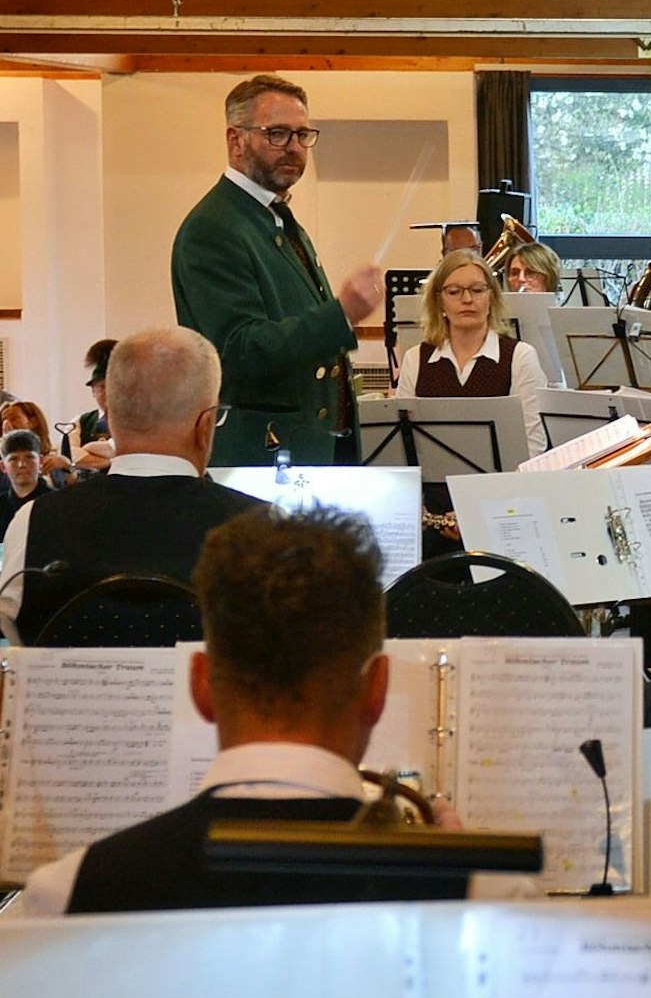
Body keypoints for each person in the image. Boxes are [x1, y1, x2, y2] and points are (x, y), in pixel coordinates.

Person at [14, 505, 471, 914]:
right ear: (378, 690)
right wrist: (466, 881)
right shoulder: (483, 897)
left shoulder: (65, 897)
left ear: (201, 686)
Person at [0, 327, 266, 647]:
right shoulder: (268, 527)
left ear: (110, 418)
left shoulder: (33, 521)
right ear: (206, 426)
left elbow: (13, 642)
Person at [172, 74, 386, 466]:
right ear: (235, 140)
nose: (293, 148)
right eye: (277, 134)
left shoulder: (276, 218)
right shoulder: (214, 226)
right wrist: (341, 315)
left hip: (309, 448)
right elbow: (237, 348)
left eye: (303, 135)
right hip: (263, 457)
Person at [395, 248, 549, 455]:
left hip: (497, 485)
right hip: (432, 485)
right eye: (454, 292)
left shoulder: (520, 357)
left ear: (491, 298)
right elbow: (403, 444)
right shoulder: (415, 359)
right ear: (439, 301)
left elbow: (533, 445)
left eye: (477, 290)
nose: (467, 299)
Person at [64, 338, 117, 466]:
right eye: (102, 387)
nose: (108, 392)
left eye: (113, 385)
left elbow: (120, 450)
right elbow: (69, 454)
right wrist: (110, 463)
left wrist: (88, 447)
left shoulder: (136, 422)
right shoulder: (79, 422)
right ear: (93, 391)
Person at [2, 400, 73, 487]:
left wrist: (67, 465)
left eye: (14, 418)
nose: (7, 424)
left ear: (33, 422)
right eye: (3, 420)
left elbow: (74, 490)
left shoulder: (52, 458)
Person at [0, 429, 50, 532]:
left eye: (29, 457)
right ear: (3, 466)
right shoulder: (2, 505)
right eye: (13, 459)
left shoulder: (57, 503)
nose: (22, 464)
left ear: (41, 461)